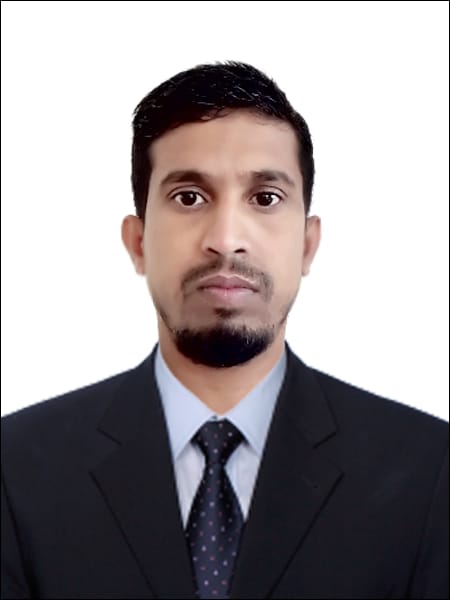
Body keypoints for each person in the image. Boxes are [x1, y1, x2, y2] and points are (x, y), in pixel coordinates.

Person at [1, 61, 448, 600]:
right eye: (189, 196)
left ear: (308, 245)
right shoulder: (16, 470)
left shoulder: (429, 471)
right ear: (138, 243)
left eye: (265, 198)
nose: (227, 238)